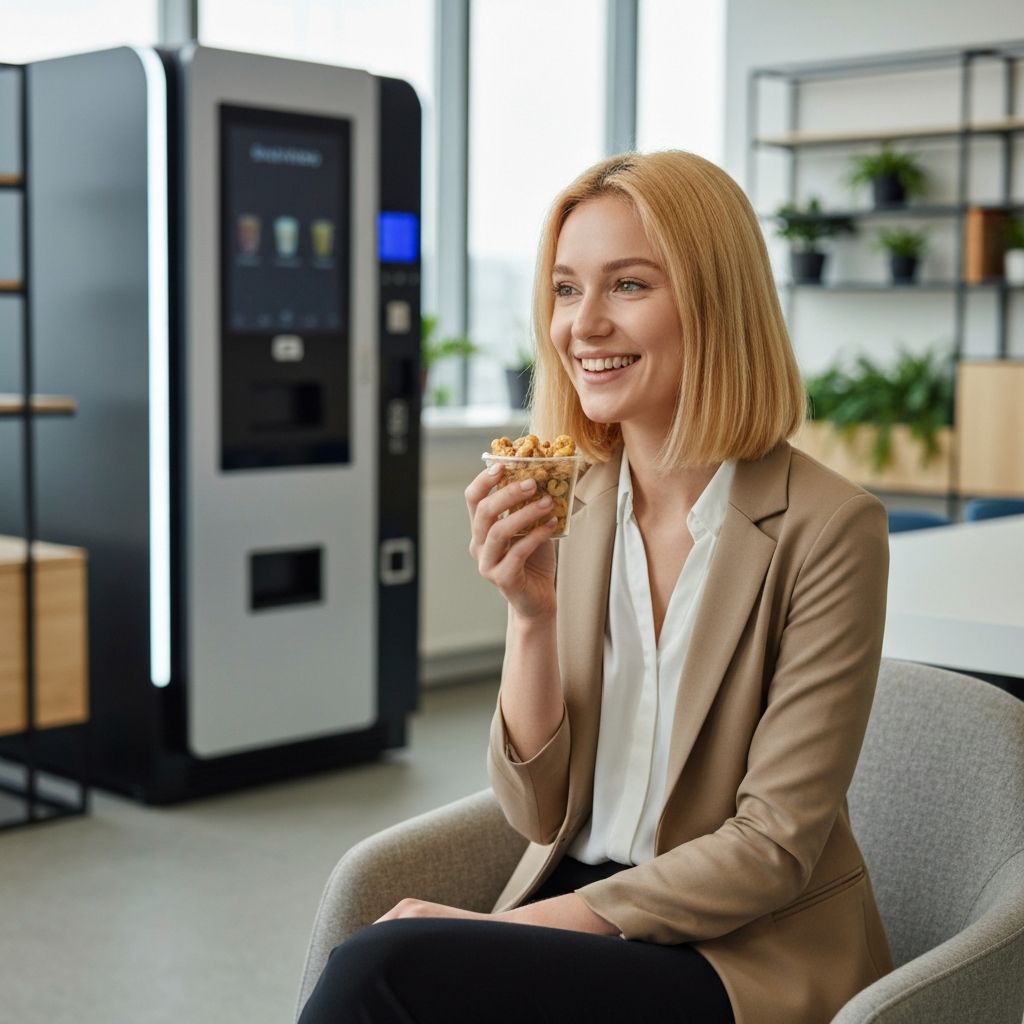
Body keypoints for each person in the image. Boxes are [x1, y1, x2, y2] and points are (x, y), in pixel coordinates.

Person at [297, 151, 892, 1024]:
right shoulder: (573, 500)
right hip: (582, 890)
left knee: (387, 974)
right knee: (387, 967)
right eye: (567, 290)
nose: (584, 325)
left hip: (737, 948)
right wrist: (529, 616)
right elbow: (537, 810)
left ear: (716, 303)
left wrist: (516, 931)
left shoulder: (830, 528)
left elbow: (771, 851)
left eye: (629, 286)